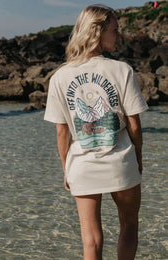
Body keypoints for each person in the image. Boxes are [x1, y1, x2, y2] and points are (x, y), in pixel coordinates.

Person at [44, 4, 148, 260]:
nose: (118, 35)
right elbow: (133, 124)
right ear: (97, 31)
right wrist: (138, 157)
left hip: (82, 164)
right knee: (129, 225)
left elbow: (62, 132)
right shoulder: (121, 70)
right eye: (115, 30)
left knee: (90, 241)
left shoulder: (60, 77)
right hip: (120, 160)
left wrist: (66, 168)